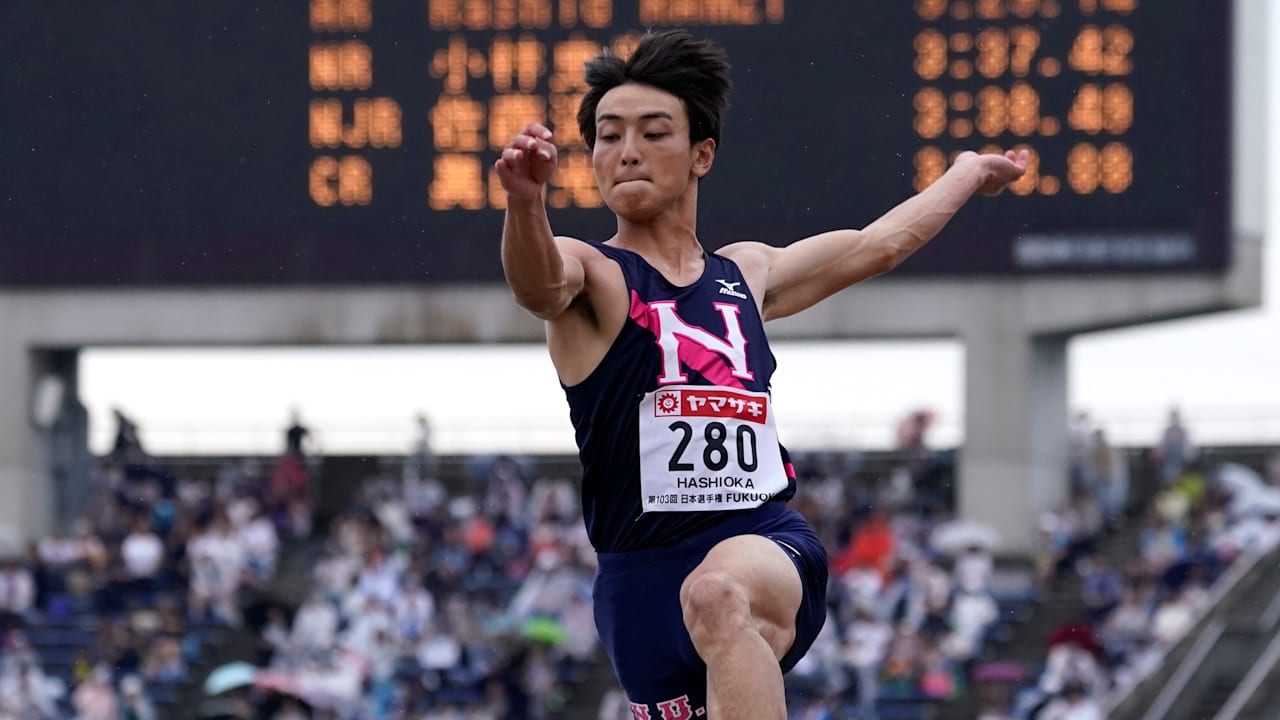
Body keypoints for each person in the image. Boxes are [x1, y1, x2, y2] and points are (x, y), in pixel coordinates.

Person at [496, 30, 1028, 719]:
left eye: (653, 132)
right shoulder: (591, 273)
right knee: (703, 608)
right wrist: (523, 203)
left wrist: (967, 170)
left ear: (701, 155)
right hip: (639, 585)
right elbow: (538, 287)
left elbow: (877, 246)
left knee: (717, 595)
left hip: (763, 543)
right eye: (606, 135)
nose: (625, 150)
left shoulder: (744, 274)